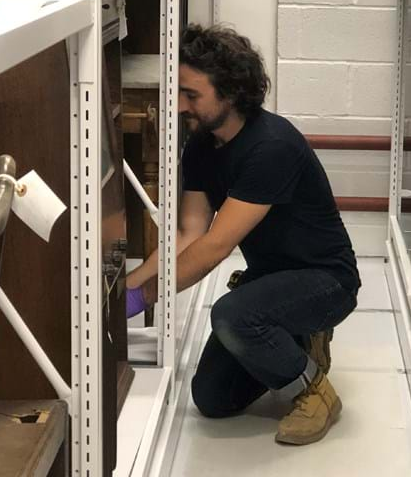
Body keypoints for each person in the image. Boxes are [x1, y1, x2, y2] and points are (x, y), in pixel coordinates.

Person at [125, 24, 361, 445]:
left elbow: (216, 245)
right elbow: (188, 234)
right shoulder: (202, 145)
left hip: (325, 281)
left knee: (233, 315)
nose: (180, 105)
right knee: (212, 399)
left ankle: (314, 392)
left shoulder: (271, 147)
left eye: (192, 95)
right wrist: (127, 287)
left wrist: (146, 296)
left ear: (230, 94)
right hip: (271, 279)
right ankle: (298, 337)